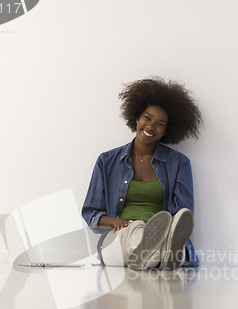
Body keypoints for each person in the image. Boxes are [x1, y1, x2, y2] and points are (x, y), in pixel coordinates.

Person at [82, 77, 203, 270]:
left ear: (166, 132)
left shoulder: (179, 163)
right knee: (135, 231)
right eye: (147, 118)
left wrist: (166, 228)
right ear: (137, 117)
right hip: (119, 235)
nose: (150, 126)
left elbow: (183, 216)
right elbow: (90, 213)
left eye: (160, 124)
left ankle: (154, 251)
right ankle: (162, 255)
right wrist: (114, 220)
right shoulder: (107, 161)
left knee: (149, 234)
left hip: (161, 233)